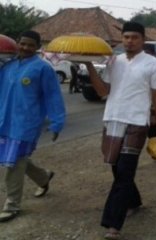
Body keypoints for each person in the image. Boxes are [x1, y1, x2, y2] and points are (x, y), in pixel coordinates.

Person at [84, 22, 156, 239]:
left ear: (143, 39)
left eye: (134, 37)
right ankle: (134, 201)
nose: (129, 41)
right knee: (116, 167)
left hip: (137, 122)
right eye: (126, 37)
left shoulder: (154, 64)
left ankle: (114, 224)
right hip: (112, 120)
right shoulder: (114, 61)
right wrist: (89, 66)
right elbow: (103, 91)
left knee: (124, 171)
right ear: (122, 39)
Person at [0, 30, 65, 222]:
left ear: (38, 47)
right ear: (17, 43)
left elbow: (53, 96)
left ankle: (12, 205)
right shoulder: (8, 66)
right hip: (5, 122)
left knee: (13, 164)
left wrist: (57, 123)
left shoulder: (43, 69)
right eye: (23, 43)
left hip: (26, 124)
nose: (26, 48)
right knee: (17, 158)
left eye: (30, 45)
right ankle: (43, 177)